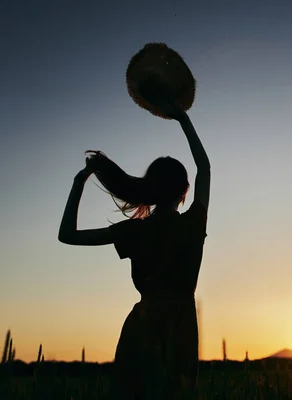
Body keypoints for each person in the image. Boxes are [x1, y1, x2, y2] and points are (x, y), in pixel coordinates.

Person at [58, 102, 210, 399]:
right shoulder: (193, 223)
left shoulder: (135, 231)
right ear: (183, 192)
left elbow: (68, 236)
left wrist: (79, 183)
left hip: (142, 328)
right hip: (181, 330)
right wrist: (182, 117)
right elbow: (204, 167)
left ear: (149, 190)